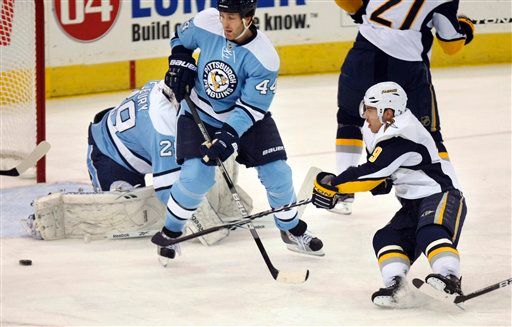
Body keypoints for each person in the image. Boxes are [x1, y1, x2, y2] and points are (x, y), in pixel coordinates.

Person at [152, 0, 324, 260]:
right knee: (196, 176)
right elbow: (180, 39)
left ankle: (291, 229)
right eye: (222, 16)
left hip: (246, 117)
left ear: (249, 18)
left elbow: (251, 108)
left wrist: (226, 139)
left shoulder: (264, 58)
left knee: (278, 173)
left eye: (232, 18)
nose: (225, 24)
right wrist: (180, 61)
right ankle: (171, 233)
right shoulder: (205, 22)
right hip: (201, 112)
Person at [312, 82, 467, 307]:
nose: (365, 115)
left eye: (371, 110)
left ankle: (450, 278)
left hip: (441, 195)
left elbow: (372, 172)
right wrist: (338, 188)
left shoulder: (403, 132)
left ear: (389, 112)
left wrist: (334, 185)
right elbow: (381, 181)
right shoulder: (376, 130)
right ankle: (397, 286)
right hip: (412, 203)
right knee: (386, 238)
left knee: (429, 232)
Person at [332, 0, 474, 214]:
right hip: (407, 67)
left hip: (364, 56)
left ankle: (340, 193)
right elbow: (450, 44)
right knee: (430, 135)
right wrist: (466, 27)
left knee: (350, 120)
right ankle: (451, 194)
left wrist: (362, 12)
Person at [87, 79, 253, 246]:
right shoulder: (163, 127)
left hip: (135, 134)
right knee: (122, 220)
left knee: (212, 147)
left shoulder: (174, 87)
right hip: (110, 156)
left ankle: (219, 201)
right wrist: (203, 224)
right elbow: (168, 190)